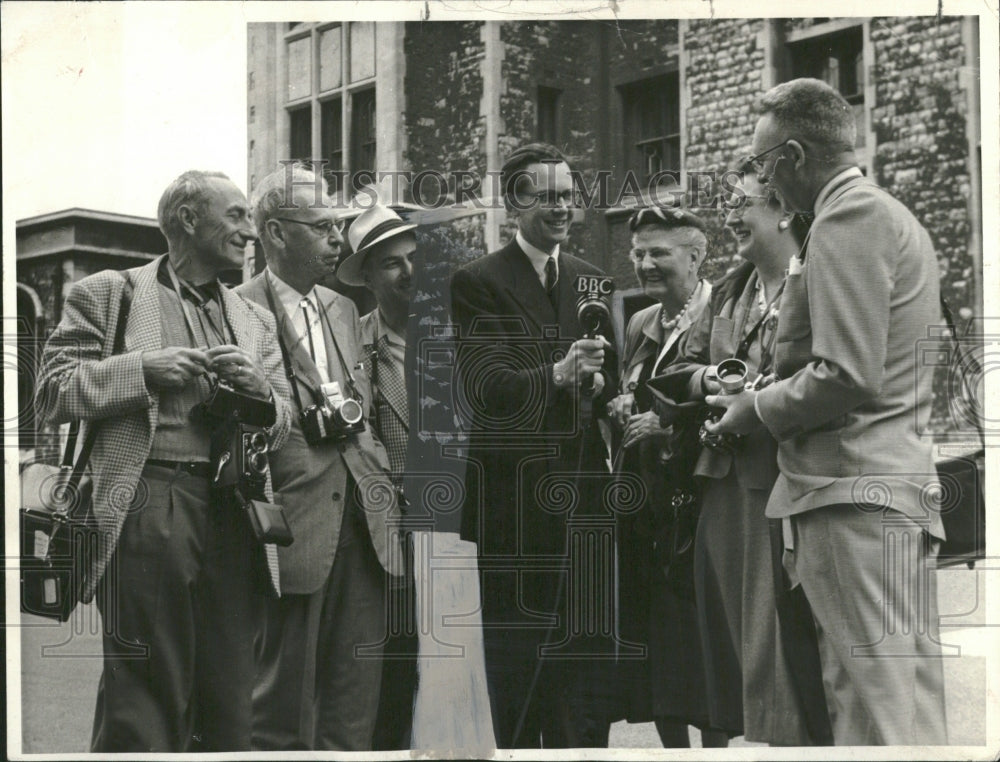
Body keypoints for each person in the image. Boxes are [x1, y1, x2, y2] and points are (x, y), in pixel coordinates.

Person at [705, 78, 948, 745]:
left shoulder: (847, 219)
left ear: (790, 156)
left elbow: (845, 375)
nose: (758, 177)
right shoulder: (885, 214)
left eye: (759, 164)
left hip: (851, 496)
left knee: (873, 716)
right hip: (885, 491)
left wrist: (752, 407)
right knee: (902, 708)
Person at [36, 170, 293, 752]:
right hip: (149, 500)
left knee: (231, 698)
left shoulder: (253, 320)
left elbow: (282, 427)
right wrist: (140, 371)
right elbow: (50, 393)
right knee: (145, 695)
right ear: (187, 219)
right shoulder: (111, 292)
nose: (250, 233)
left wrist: (260, 394)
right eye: (235, 216)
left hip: (237, 513)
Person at [450, 142, 618, 748]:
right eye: (547, 197)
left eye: (568, 196)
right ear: (512, 203)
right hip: (514, 510)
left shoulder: (591, 279)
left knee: (583, 674)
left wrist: (605, 390)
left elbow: (611, 384)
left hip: (585, 502)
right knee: (518, 674)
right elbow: (486, 389)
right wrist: (557, 375)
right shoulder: (477, 283)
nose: (562, 208)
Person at [660, 166, 832, 745]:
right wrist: (712, 377)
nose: (729, 215)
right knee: (734, 646)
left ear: (783, 209)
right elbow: (673, 374)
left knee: (779, 647)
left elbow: (827, 375)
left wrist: (758, 400)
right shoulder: (732, 289)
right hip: (721, 489)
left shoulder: (813, 281)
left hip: (783, 486)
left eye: (741, 204)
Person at [238, 165, 403, 751]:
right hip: (292, 527)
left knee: (354, 704)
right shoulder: (236, 310)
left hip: (368, 525)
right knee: (279, 708)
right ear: (277, 234)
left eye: (339, 226)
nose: (338, 239)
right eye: (323, 227)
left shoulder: (339, 307)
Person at [604, 204, 729, 749]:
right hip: (649, 514)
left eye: (659, 253)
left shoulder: (723, 315)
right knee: (662, 654)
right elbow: (633, 396)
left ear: (696, 255)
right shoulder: (639, 322)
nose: (645, 264)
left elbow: (734, 401)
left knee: (705, 652)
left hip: (702, 508)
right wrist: (621, 409)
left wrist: (669, 424)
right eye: (638, 254)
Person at [337, 202, 420, 749]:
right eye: (391, 263)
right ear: (367, 275)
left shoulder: (461, 335)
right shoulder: (351, 347)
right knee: (393, 674)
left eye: (415, 258)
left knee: (463, 679)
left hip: (464, 531)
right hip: (388, 536)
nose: (409, 272)